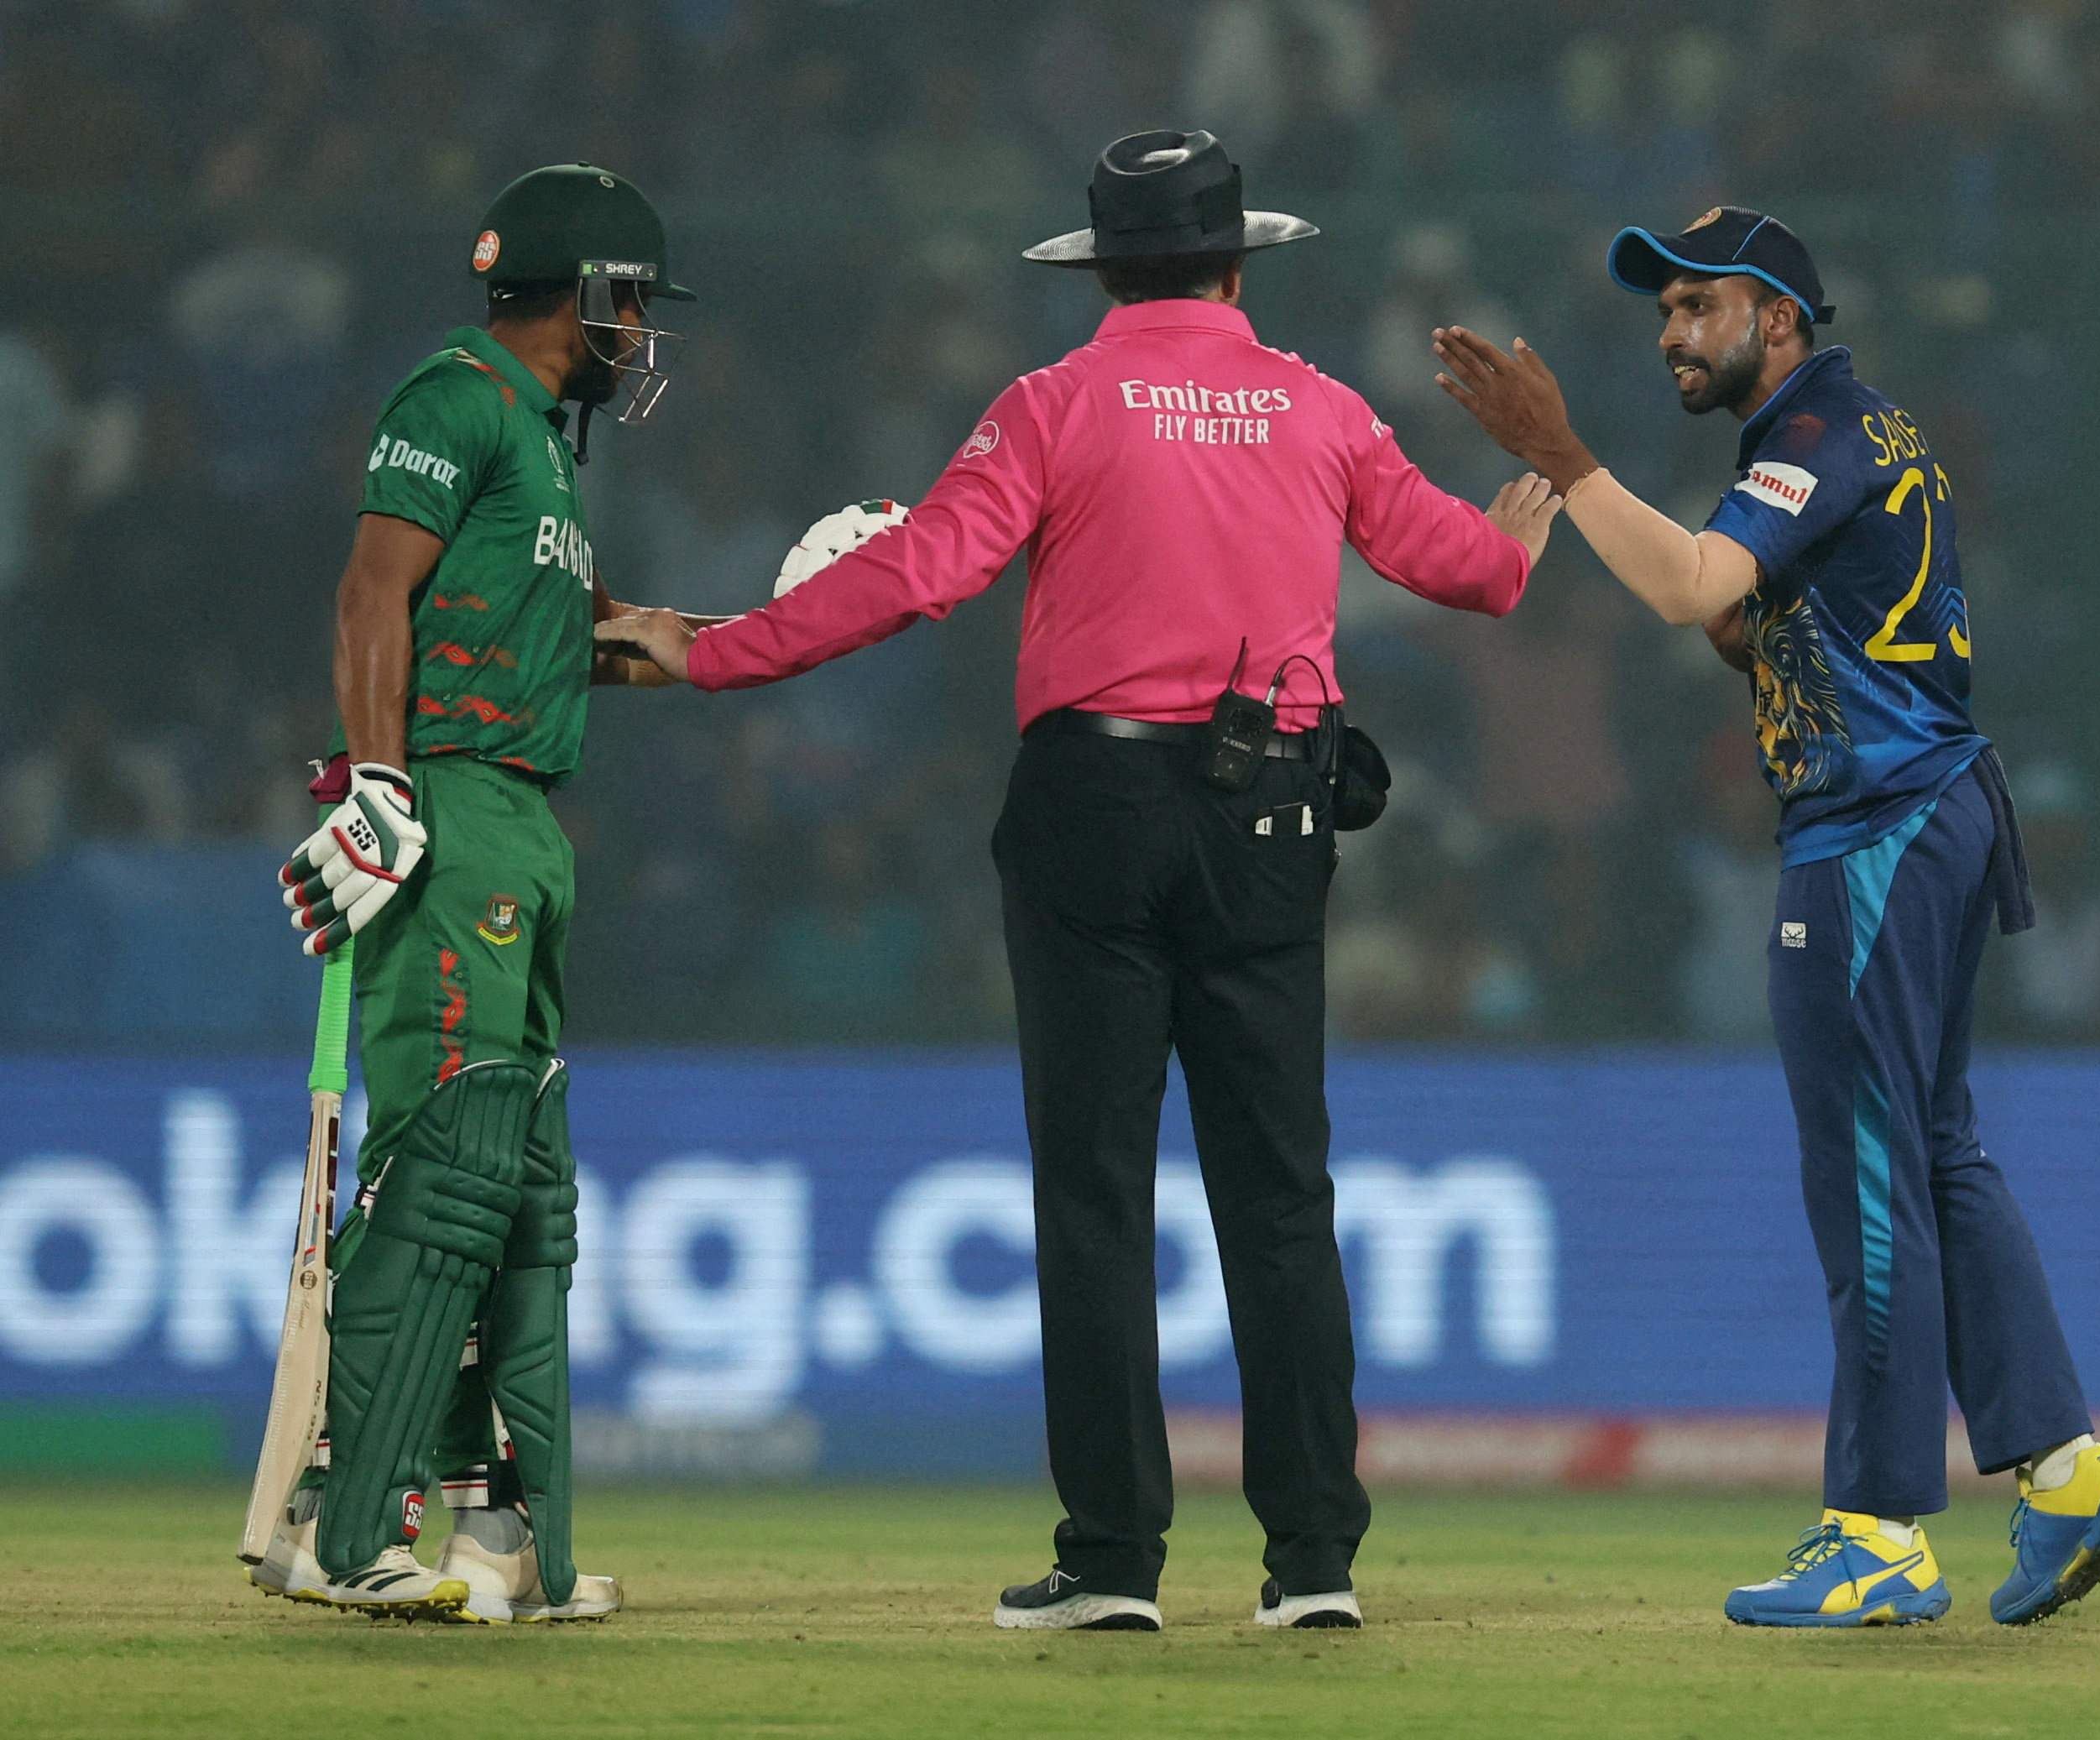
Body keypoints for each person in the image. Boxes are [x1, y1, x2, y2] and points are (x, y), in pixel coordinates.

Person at [604, 129, 1560, 1633]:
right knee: (1281, 1196)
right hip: (1273, 816)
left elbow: (921, 571)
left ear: (1105, 268)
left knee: (1097, 1190)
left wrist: (714, 647)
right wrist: (1530, 508)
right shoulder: (1319, 408)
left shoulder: (1053, 404)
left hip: (1094, 807)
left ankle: (1113, 1560)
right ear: (1241, 260)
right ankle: (1313, 1562)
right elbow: (1474, 575)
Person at [1431, 206, 2100, 1628]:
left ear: (1780, 319)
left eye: (1697, 306)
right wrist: (1746, 627)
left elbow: (1685, 587)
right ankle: (2065, 1467)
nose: (1669, 335)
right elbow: (1758, 619)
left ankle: (1879, 1529)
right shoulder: (1852, 435)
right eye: (1662, 312)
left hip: (1876, 831)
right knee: (1940, 1152)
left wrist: (1561, 458)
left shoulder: (1817, 436)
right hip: (1932, 808)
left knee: (1870, 1175)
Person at [256, 162, 715, 1623]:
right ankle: (347, 1521)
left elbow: (595, 646)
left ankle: (500, 1537)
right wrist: (382, 785)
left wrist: (808, 608)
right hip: (448, 811)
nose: (641, 331)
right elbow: (367, 593)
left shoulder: (547, 454)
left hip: (523, 823)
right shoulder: (451, 397)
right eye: (632, 301)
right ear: (582, 293)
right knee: (447, 1172)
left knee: (518, 1196)